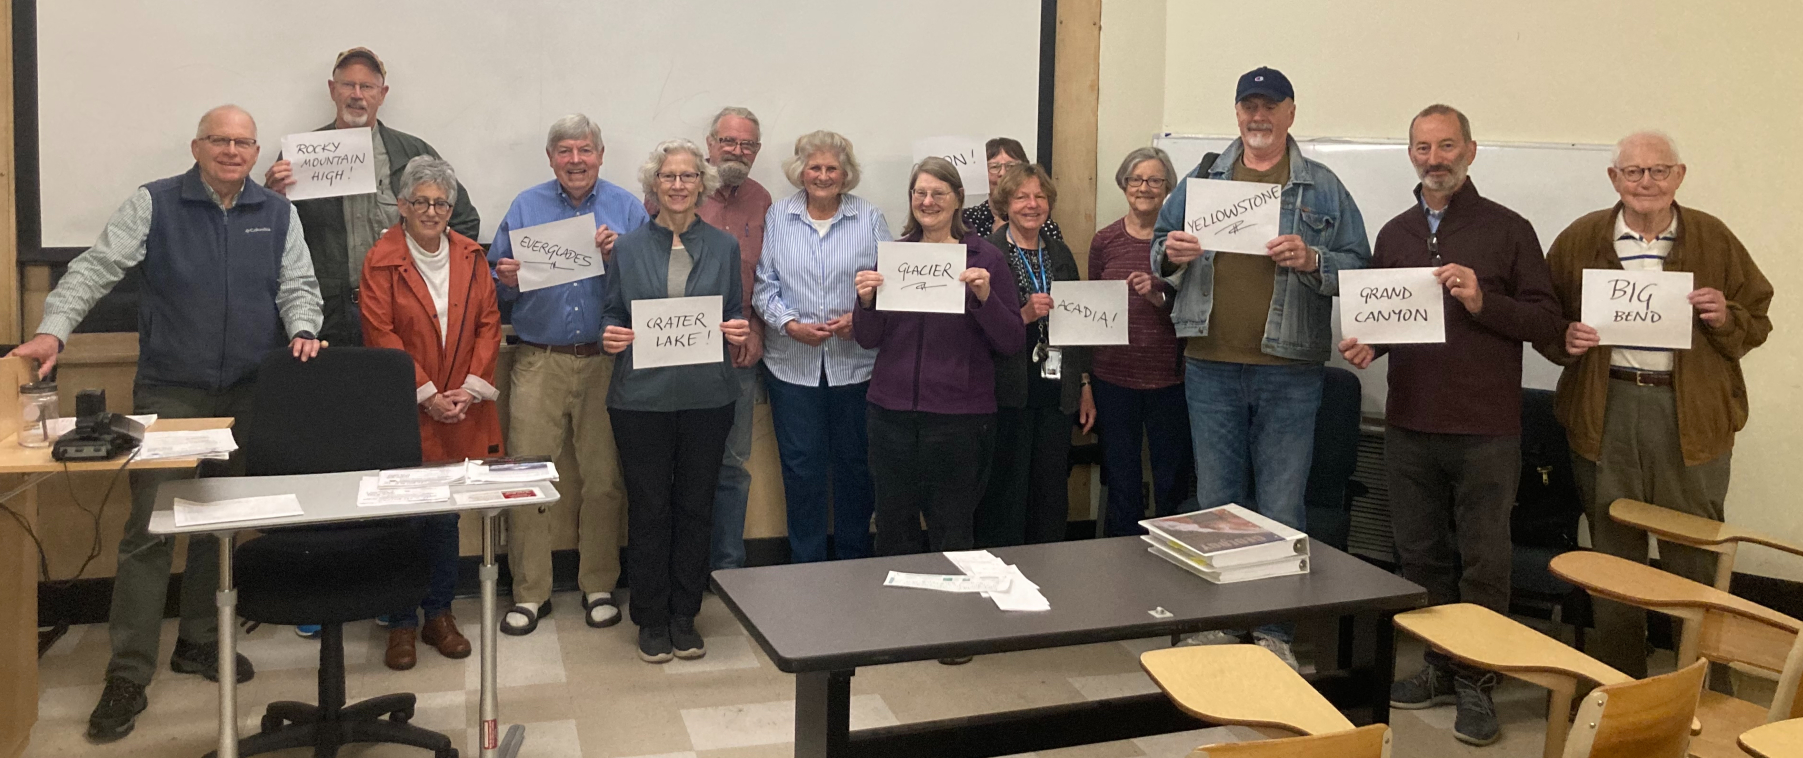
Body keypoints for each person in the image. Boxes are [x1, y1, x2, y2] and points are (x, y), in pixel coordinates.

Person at [4, 105, 322, 743]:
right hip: (171, 393)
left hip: (247, 392)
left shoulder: (278, 213)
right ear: (197, 146)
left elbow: (298, 284)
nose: (232, 151)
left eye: (242, 142)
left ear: (256, 150)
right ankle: (127, 674)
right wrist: (51, 331)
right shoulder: (154, 204)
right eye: (219, 140)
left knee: (219, 523)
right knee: (150, 530)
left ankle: (200, 641)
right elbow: (95, 267)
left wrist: (305, 327)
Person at [1339, 105, 1562, 746]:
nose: (1433, 158)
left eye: (1445, 146)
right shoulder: (1395, 233)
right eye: (1421, 147)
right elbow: (1393, 319)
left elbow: (1547, 325)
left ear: (1470, 150)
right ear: (1410, 154)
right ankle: (1438, 665)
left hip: (1487, 428)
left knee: (1484, 561)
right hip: (1411, 421)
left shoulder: (1509, 230)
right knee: (1421, 556)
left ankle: (1478, 681)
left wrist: (1481, 300)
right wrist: (1370, 346)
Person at [1152, 66, 1370, 669]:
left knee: (1280, 504)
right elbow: (1161, 246)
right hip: (1210, 363)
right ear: (1237, 113)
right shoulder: (1203, 179)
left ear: (1291, 113)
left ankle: (1274, 629)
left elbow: (1357, 265)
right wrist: (1171, 250)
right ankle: (1220, 624)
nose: (1258, 117)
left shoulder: (1322, 187)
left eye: (1270, 106)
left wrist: (1314, 257)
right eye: (1249, 106)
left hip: (1289, 368)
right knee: (1216, 504)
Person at [1541, 131, 1773, 680]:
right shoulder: (1580, 238)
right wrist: (1562, 340)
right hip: (1606, 409)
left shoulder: (1713, 238)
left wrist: (1725, 316)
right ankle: (1620, 687)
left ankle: (1698, 687)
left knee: (1692, 553)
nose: (1646, 182)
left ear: (1680, 176)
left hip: (1688, 415)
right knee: (1613, 554)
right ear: (1614, 179)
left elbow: (1757, 317)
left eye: (1659, 171)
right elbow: (1543, 317)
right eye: (1634, 172)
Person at [488, 114, 647, 635]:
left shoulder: (626, 207)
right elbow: (496, 284)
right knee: (525, 479)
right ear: (551, 158)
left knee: (604, 479)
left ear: (600, 155)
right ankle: (530, 592)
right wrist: (506, 277)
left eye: (585, 150)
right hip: (538, 359)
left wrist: (618, 255)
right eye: (564, 151)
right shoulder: (525, 206)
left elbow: (649, 287)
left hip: (606, 362)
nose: (575, 160)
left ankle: (598, 583)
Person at [601, 139, 750, 663]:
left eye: (689, 176)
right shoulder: (627, 247)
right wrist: (611, 334)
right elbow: (613, 312)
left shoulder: (726, 247)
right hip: (640, 398)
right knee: (649, 508)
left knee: (695, 506)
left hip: (708, 396)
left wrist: (737, 328)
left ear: (702, 184)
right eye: (669, 176)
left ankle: (686, 615)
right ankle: (650, 617)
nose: (679, 185)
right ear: (654, 184)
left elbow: (732, 309)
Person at [358, 156, 498, 670]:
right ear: (402, 206)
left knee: (443, 515)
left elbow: (488, 323)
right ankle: (401, 623)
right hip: (406, 408)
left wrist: (466, 391)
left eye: (441, 203)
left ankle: (439, 613)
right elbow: (380, 334)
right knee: (403, 516)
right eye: (422, 202)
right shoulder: (381, 259)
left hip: (460, 407)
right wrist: (427, 393)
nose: (432, 211)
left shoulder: (471, 256)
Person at [854, 157, 1025, 560]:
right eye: (920, 193)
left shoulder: (986, 258)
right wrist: (865, 302)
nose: (928, 201)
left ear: (958, 199)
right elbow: (867, 338)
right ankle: (899, 615)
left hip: (959, 418)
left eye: (938, 193)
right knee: (894, 524)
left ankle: (951, 618)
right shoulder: (895, 256)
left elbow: (1012, 340)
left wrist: (985, 298)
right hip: (890, 412)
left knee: (952, 526)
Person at [264, 47, 479, 347]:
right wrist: (273, 199)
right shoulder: (297, 158)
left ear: (382, 93)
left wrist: (430, 282)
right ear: (332, 90)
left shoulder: (413, 155)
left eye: (367, 86)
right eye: (347, 85)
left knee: (396, 393)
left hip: (400, 312)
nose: (356, 94)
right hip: (326, 317)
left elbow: (464, 222)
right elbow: (272, 240)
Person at [755, 130, 887, 562]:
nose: (824, 175)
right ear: (801, 171)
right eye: (815, 167)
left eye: (833, 168)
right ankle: (806, 563)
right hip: (792, 367)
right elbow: (763, 287)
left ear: (846, 174)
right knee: (802, 470)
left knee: (856, 468)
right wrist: (788, 323)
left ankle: (852, 559)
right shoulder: (778, 216)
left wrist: (862, 318)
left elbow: (890, 285)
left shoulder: (869, 217)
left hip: (857, 366)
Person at [976, 164, 1091, 547]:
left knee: (1050, 490)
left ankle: (1049, 572)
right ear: (1005, 204)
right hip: (1005, 391)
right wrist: (1022, 317)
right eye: (1022, 196)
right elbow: (974, 327)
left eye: (1039, 196)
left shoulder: (1059, 253)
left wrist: (1085, 385)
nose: (1032, 204)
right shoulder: (988, 252)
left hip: (1055, 392)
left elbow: (1078, 326)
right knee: (1005, 491)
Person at [1089, 147, 1194, 537]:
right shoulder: (1104, 241)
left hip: (1172, 380)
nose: (1144, 188)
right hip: (1113, 379)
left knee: (1172, 482)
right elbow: (1091, 312)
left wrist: (1159, 297)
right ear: (1124, 184)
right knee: (1121, 482)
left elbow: (1196, 308)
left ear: (1168, 188)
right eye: (1136, 179)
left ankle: (1171, 559)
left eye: (1155, 180)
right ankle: (1122, 567)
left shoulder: (1181, 245)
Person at [698, 107, 774, 571]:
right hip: (679, 354)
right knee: (678, 468)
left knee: (732, 467)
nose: (737, 151)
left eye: (746, 145)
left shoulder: (765, 201)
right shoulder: (676, 190)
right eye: (728, 141)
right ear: (710, 144)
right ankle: (681, 565)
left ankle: (726, 570)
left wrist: (760, 328)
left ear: (757, 151)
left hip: (739, 355)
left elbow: (771, 274)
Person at [961, 137, 1064, 241]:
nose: (1003, 173)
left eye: (1011, 166)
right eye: (994, 167)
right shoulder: (965, 220)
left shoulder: (1045, 226)